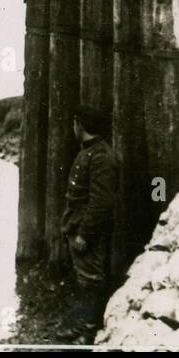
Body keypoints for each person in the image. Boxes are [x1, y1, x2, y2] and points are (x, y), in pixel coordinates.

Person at [59, 107, 118, 344]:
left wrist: (85, 233)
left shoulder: (101, 156)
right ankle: (82, 325)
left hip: (88, 230)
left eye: (75, 123)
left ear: (80, 125)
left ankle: (89, 331)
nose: (74, 128)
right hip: (77, 224)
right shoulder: (91, 152)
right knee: (84, 279)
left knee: (92, 281)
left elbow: (101, 201)